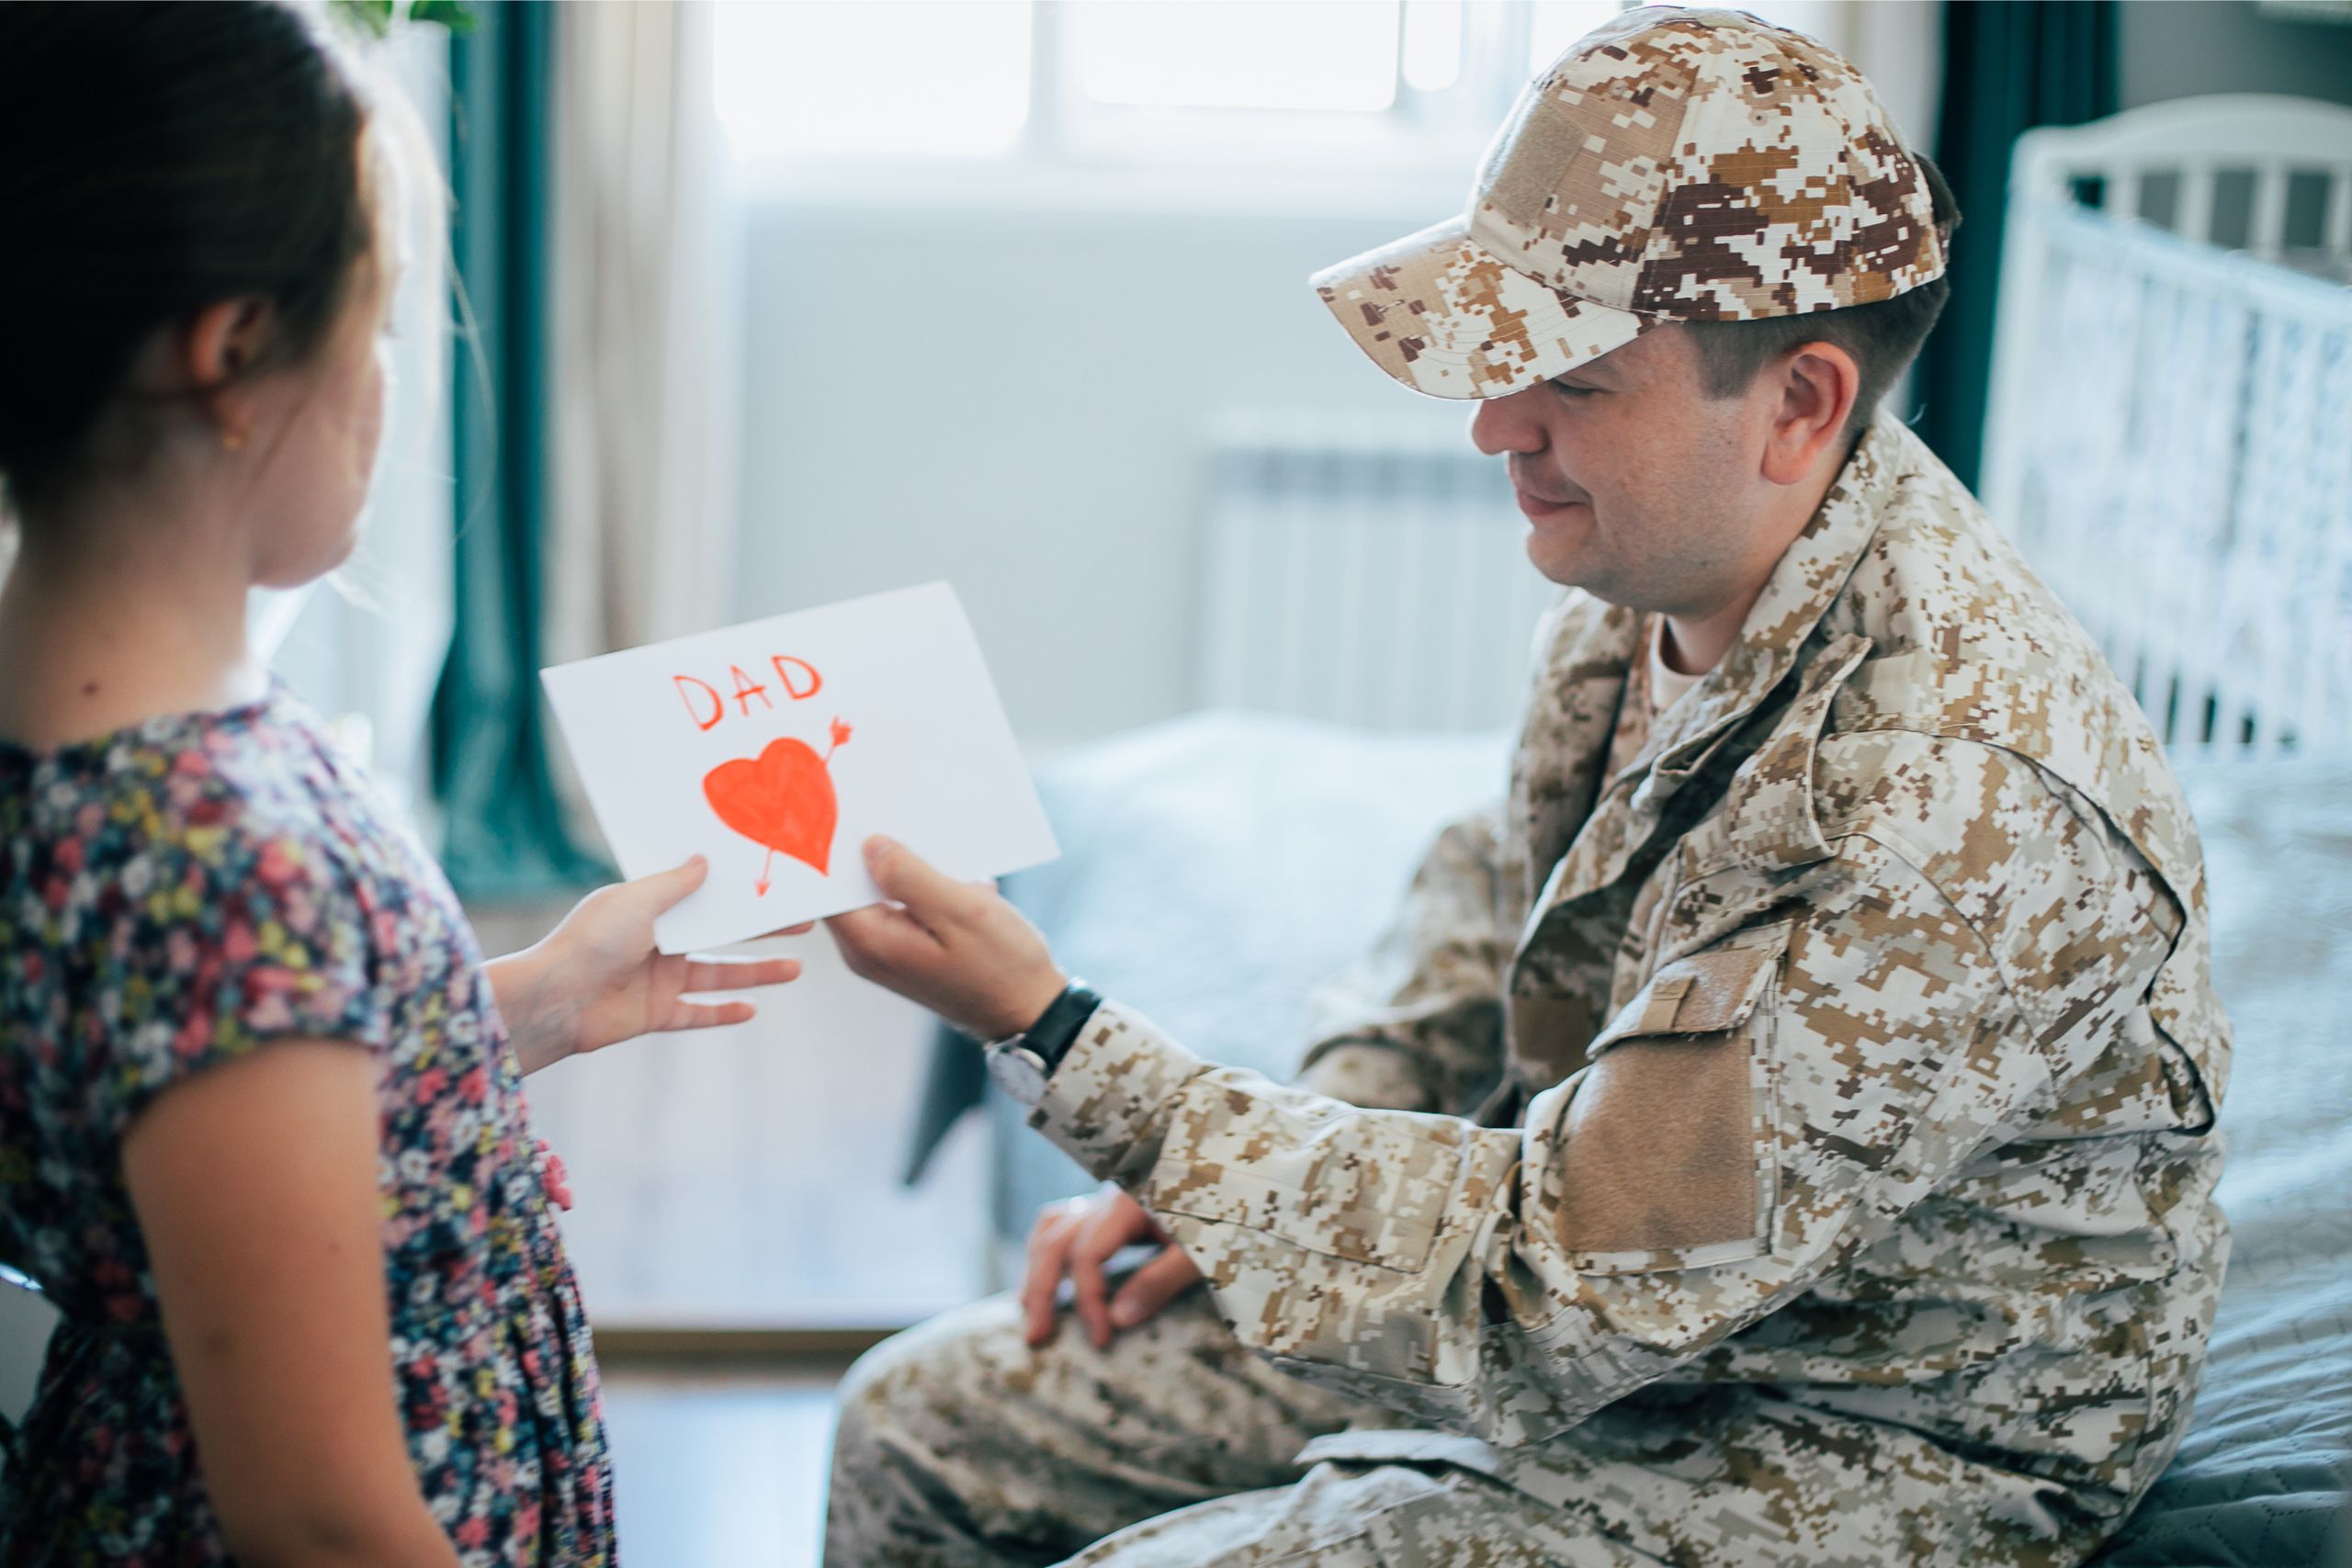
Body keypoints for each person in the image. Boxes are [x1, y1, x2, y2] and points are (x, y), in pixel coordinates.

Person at [820, 7, 2231, 1565]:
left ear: (1802, 404)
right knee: (927, 1417)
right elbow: (1493, 908)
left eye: (1580, 378)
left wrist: (1080, 1051)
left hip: (1861, 1427)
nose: (1498, 425)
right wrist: (1252, 1166)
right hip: (1629, 1313)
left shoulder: (1952, 804)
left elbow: (1554, 1289)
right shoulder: (1648, 576)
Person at [0, 6, 802, 1562]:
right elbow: (326, 1526)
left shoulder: (114, 740)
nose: (388, 381)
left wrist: (523, 1007)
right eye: (370, 321)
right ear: (232, 353)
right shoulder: (222, 854)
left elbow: (202, 1111)